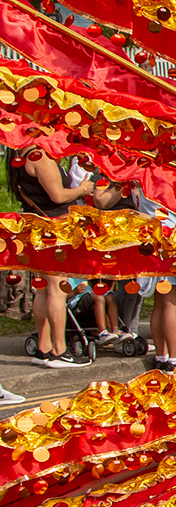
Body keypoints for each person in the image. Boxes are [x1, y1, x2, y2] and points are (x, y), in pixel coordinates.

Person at [7, 147, 96, 367]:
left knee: (45, 289)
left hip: (39, 229)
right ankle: (59, 351)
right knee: (57, 289)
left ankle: (44, 348)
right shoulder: (40, 156)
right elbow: (57, 195)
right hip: (55, 229)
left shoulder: (20, 157)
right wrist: (82, 189)